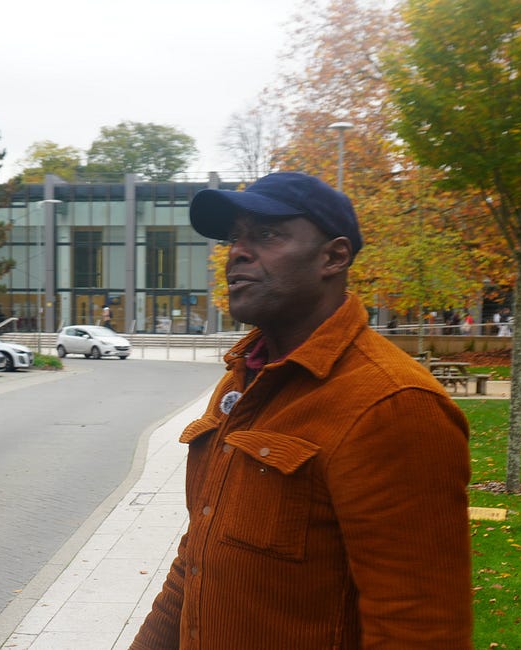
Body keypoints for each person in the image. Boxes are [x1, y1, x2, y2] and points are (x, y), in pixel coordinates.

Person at [130, 172, 472, 649]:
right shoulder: (242, 380)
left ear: (334, 257)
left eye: (267, 234)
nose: (238, 252)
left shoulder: (394, 406)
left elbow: (417, 628)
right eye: (235, 238)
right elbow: (196, 557)